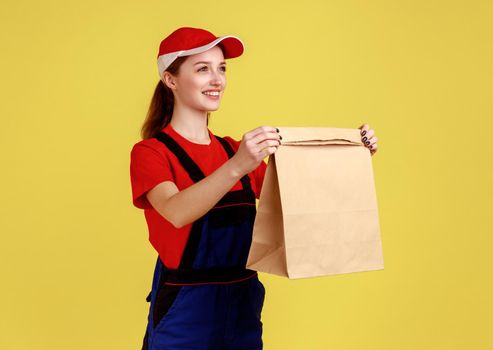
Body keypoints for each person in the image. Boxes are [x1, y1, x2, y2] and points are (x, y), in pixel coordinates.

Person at [130, 27, 379, 350]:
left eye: (221, 69)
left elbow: (305, 198)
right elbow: (175, 211)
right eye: (202, 69)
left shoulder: (235, 149)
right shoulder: (152, 153)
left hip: (243, 307)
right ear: (171, 79)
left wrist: (353, 153)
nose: (217, 79)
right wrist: (238, 164)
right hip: (186, 310)